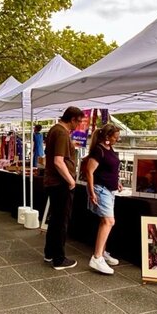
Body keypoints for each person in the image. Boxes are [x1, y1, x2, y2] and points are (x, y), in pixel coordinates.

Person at [43, 106, 84, 270]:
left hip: (54, 182)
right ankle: (59, 258)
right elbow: (58, 161)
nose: (79, 126)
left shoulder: (55, 130)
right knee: (61, 220)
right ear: (72, 119)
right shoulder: (61, 132)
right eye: (79, 122)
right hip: (60, 183)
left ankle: (50, 253)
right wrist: (71, 181)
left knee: (55, 219)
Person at [85, 123, 122, 275]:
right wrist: (92, 191)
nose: (117, 140)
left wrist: (117, 181)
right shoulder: (98, 150)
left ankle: (102, 252)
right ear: (107, 137)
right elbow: (89, 171)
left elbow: (111, 168)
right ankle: (97, 257)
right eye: (115, 137)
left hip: (109, 189)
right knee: (108, 221)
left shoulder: (108, 148)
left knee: (104, 221)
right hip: (101, 189)